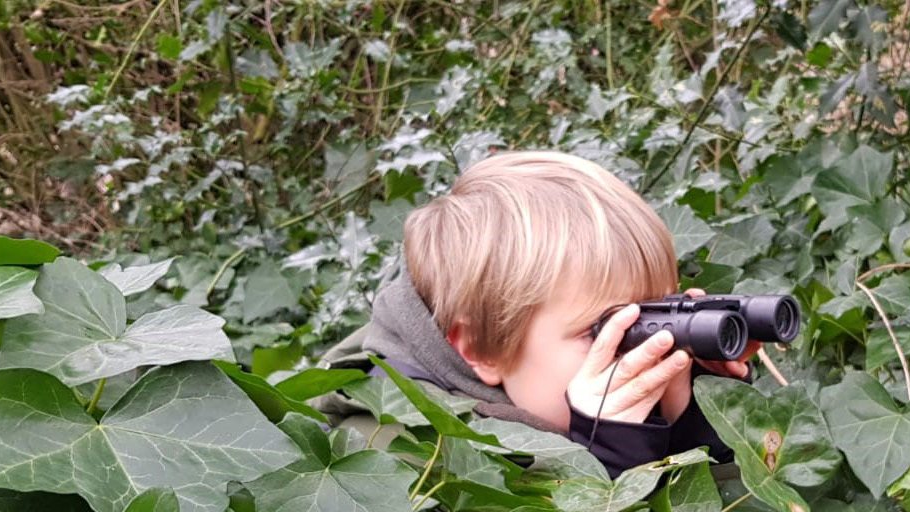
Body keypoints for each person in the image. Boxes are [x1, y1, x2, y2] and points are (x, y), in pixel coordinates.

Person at [315, 150, 756, 477]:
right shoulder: (396, 453)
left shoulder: (531, 384)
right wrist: (607, 471)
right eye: (602, 330)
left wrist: (693, 423)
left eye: (658, 317)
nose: (645, 349)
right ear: (480, 350)